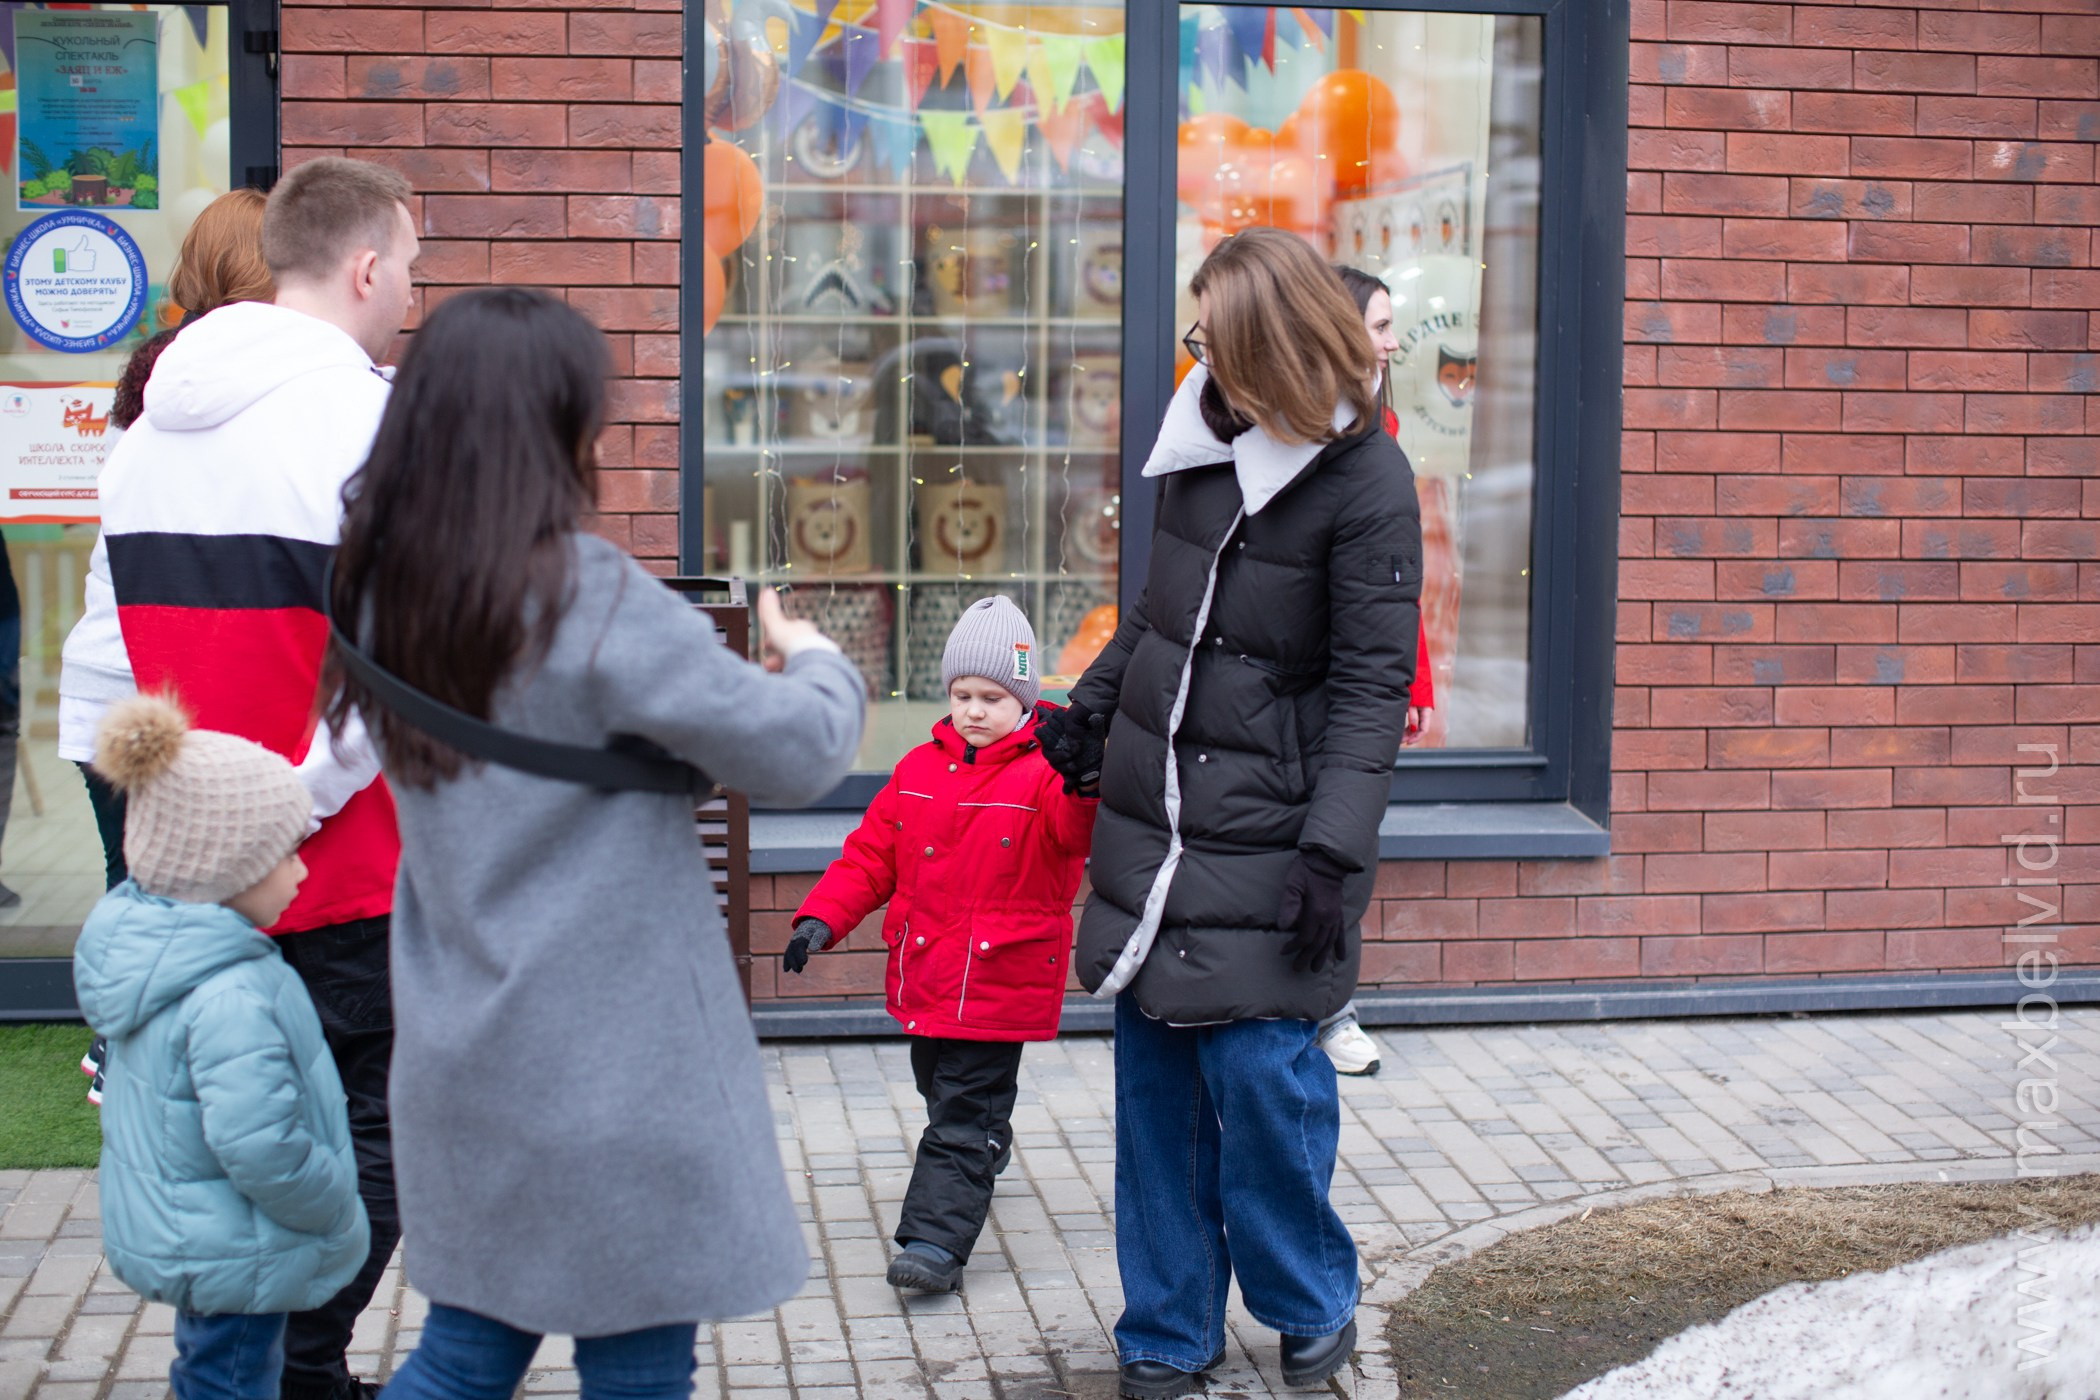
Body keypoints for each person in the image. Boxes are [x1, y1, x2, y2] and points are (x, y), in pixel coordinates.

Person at [321, 287, 865, 1400]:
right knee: (638, 1356)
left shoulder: (381, 584)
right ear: (552, 425)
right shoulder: (586, 594)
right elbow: (802, 751)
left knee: (468, 1352)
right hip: (615, 1063)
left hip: (465, 1038)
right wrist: (815, 654)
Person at [1037, 227, 1422, 1399]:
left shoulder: (1367, 481)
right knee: (1156, 1080)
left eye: (1209, 332)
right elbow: (1159, 612)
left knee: (1260, 1077)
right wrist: (1087, 712)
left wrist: (1332, 853)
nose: (1194, 350)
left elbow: (1370, 689)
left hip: (1276, 830)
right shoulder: (1200, 440)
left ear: (1269, 345)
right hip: (1161, 814)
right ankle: (1165, 1327)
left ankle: (1309, 1297)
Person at [95, 158, 416, 1400]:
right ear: (368, 266)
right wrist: (294, 804)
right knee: (374, 1136)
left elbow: (121, 652)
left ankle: (280, 1370)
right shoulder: (366, 420)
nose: (409, 300)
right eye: (411, 274)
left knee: (231, 1143)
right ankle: (302, 1364)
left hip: (192, 859)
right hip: (333, 861)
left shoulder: (142, 433)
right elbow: (400, 669)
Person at [783, 595, 1100, 1294]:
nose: (975, 711)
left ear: (1022, 699)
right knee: (942, 1089)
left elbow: (1077, 834)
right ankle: (985, 1141)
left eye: (993, 696)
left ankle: (935, 1242)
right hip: (928, 973)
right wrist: (820, 919)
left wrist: (1086, 781)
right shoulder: (917, 771)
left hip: (1000, 978)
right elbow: (870, 857)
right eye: (963, 695)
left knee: (957, 1111)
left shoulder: (1047, 773)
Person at [72, 693, 369, 1400]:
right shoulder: (231, 992)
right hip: (245, 1244)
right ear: (226, 871)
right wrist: (331, 1197)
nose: (301, 873)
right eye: (285, 856)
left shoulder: (151, 960)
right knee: (233, 1380)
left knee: (208, 1368)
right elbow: (260, 1141)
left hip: (195, 1232)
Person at [65, 185, 275, 1104]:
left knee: (135, 890)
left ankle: (125, 1056)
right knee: (196, 898)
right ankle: (156, 1069)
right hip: (169, 683)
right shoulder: (257, 385)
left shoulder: (146, 379)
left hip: (104, 681)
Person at [1305, 263, 1450, 1081]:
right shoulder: (1304, 441)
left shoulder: (1382, 435)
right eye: (1381, 323)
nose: (1393, 341)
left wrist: (1413, 687)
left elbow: (1399, 591)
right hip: (1308, 688)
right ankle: (1318, 1008)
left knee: (1347, 849)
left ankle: (1335, 1008)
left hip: (1362, 689)